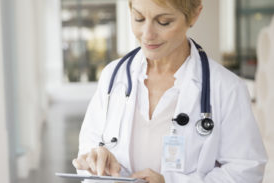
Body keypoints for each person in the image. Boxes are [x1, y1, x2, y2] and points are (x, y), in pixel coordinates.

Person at [72, 0, 268, 182]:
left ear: (194, 15)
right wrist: (96, 159)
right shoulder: (113, 76)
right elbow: (89, 147)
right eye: (138, 18)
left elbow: (246, 171)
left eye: (164, 22)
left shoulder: (226, 88)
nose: (147, 34)